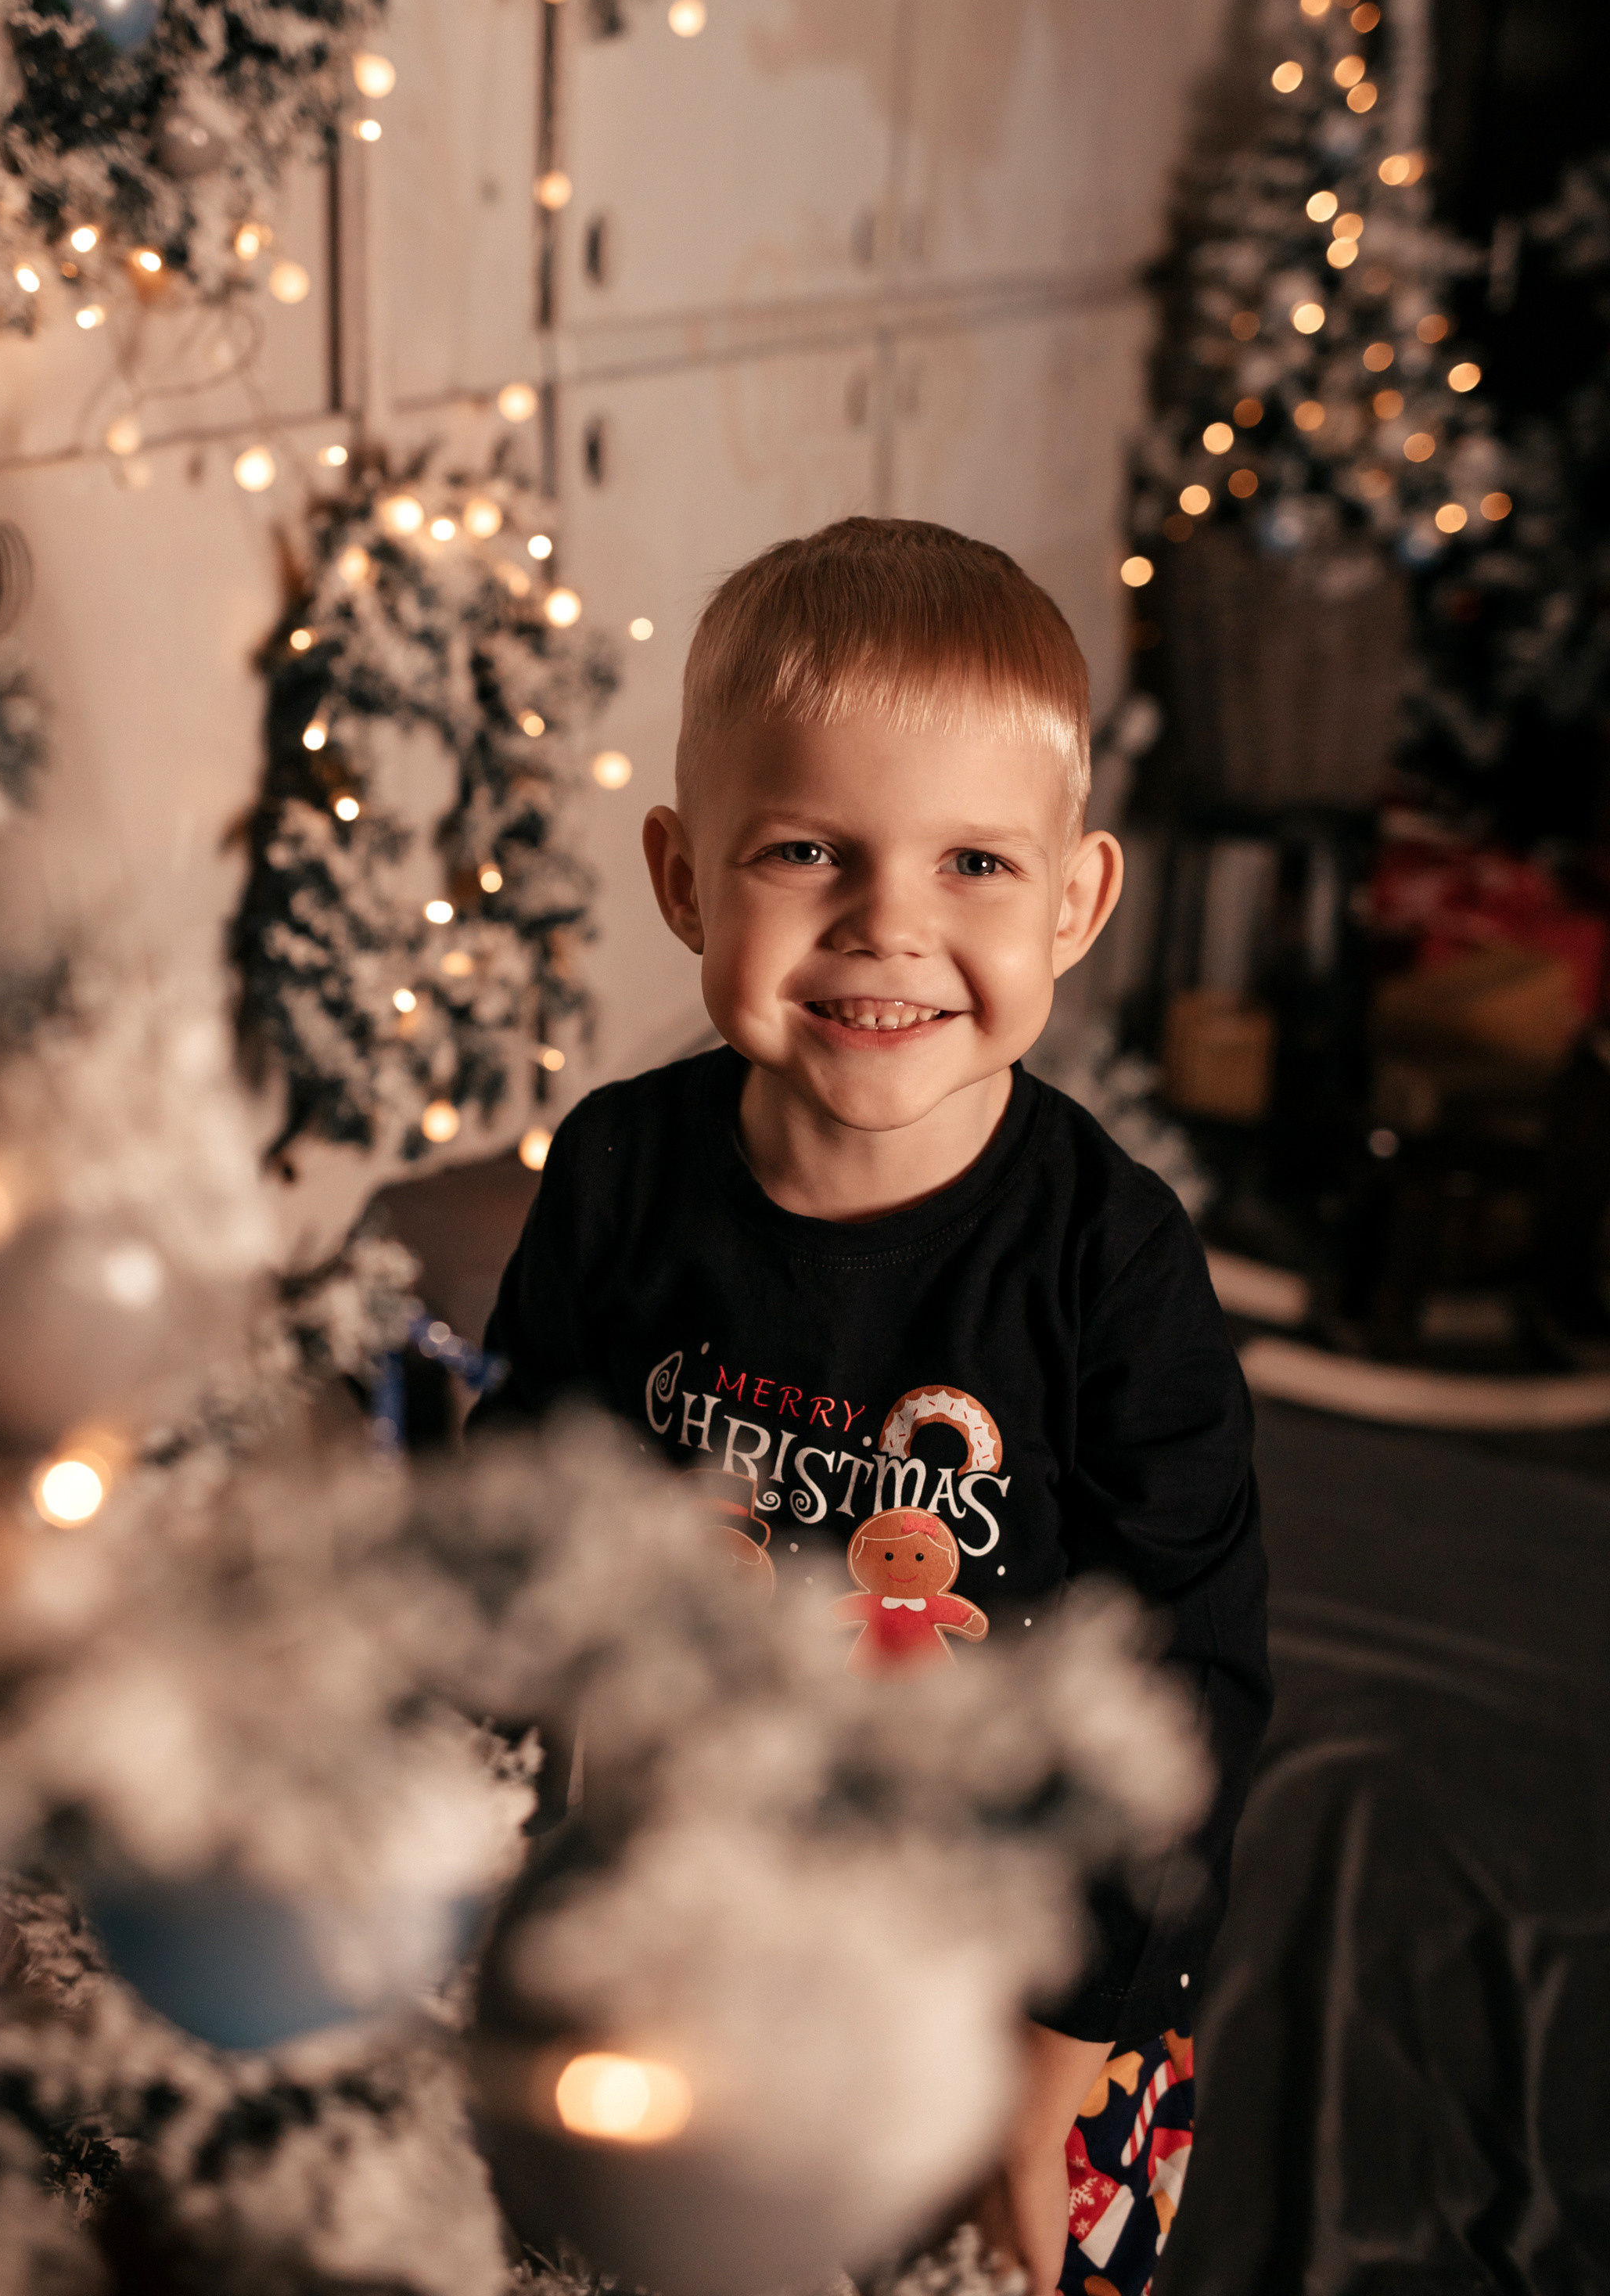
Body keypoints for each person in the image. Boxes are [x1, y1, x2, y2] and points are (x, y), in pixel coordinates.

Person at [473, 516, 1270, 2296]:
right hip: (688, 1894)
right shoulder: (619, 1174)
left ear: (1074, 900)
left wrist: (1055, 2061)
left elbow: (1189, 1685)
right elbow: (515, 1497)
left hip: (1014, 1956)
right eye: (808, 849)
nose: (888, 924)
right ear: (686, 881)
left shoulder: (1112, 1264)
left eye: (975, 861)